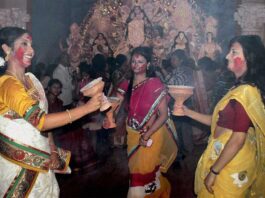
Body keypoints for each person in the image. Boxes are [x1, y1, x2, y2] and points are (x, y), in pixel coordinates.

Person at [0, 27, 102, 197]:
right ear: (6, 49)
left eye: (31, 44)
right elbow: (41, 120)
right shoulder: (7, 85)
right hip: (18, 167)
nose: (31, 50)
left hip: (42, 159)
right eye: (24, 44)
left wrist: (53, 149)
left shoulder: (32, 80)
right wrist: (86, 109)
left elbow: (44, 120)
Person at [178, 35, 265, 197]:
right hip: (226, 156)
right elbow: (217, 122)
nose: (226, 56)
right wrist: (187, 112)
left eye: (234, 52)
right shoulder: (239, 88)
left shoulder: (245, 92)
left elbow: (238, 138)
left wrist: (214, 171)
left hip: (232, 162)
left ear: (249, 58)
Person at [104, 46, 178, 198]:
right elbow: (115, 105)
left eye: (140, 61)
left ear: (148, 64)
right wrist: (109, 117)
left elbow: (163, 115)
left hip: (152, 135)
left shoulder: (155, 84)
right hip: (132, 135)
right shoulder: (125, 84)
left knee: (140, 178)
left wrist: (147, 135)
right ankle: (160, 193)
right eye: (133, 61)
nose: (135, 65)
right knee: (137, 174)